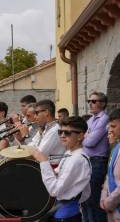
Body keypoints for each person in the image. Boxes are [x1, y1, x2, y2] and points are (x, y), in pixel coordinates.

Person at [33, 116, 91, 221]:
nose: (62, 136)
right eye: (60, 132)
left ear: (80, 136)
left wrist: (44, 162)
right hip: (63, 210)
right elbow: (57, 174)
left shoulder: (77, 159)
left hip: (68, 215)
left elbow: (55, 190)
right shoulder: (69, 153)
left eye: (67, 133)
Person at [81, 91, 109, 222]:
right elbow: (81, 138)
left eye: (94, 101)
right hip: (86, 161)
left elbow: (90, 142)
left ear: (102, 104)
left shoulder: (104, 119)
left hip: (96, 162)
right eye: (89, 101)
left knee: (93, 200)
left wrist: (85, 137)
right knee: (84, 200)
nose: (90, 104)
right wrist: (85, 136)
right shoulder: (91, 120)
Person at [28, 99, 66, 166]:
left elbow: (40, 154)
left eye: (37, 113)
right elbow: (31, 145)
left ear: (46, 112)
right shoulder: (46, 128)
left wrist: (26, 136)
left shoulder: (55, 130)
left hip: (53, 169)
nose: (35, 117)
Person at [100, 108, 120, 221]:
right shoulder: (116, 147)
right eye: (109, 126)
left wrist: (109, 202)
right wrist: (104, 198)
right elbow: (109, 174)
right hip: (111, 207)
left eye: (113, 126)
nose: (110, 130)